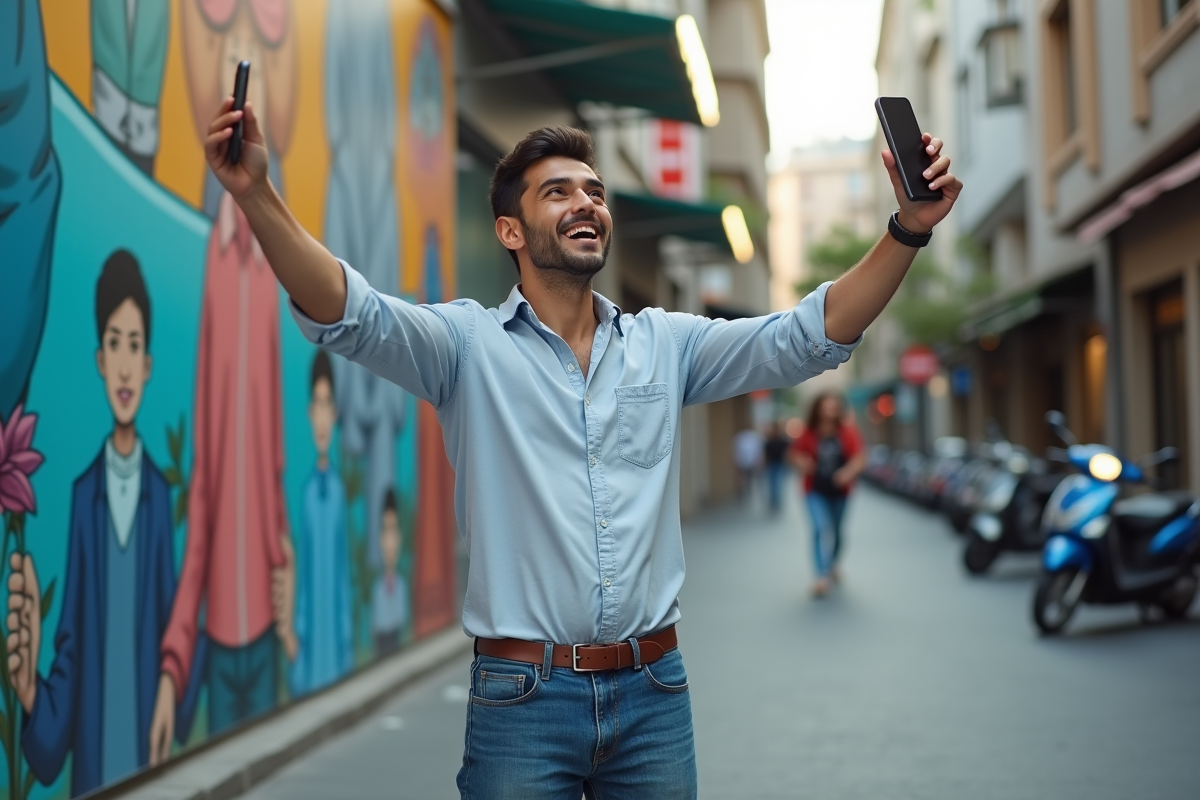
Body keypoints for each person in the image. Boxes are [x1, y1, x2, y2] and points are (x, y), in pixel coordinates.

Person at [200, 92, 960, 798]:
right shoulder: (464, 346)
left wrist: (906, 232)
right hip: (521, 700)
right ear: (510, 230)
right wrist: (255, 193)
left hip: (654, 690)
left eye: (593, 190)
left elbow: (806, 337)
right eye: (558, 191)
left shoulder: (665, 343)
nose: (585, 202)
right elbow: (346, 308)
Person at [6, 252, 201, 796]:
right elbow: (70, 641)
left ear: (148, 366)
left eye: (134, 345)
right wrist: (30, 693)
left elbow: (172, 614)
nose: (122, 363)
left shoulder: (161, 498)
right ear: (98, 359)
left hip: (145, 733)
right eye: (113, 342)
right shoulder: (82, 495)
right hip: (94, 751)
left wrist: (173, 683)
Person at [289, 350, 354, 696]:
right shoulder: (306, 494)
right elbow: (302, 568)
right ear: (310, 413)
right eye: (318, 405)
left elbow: (342, 569)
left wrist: (346, 632)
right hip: (311, 625)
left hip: (333, 626)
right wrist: (299, 628)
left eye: (328, 405)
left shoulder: (340, 493)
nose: (323, 417)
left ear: (335, 413)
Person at [791, 394, 867, 597]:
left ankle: (832, 563)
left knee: (838, 532)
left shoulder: (847, 432)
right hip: (815, 490)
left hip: (840, 491)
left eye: (833, 407)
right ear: (817, 409)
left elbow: (859, 458)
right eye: (825, 407)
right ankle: (821, 576)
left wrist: (847, 473)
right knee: (818, 528)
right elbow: (793, 455)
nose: (829, 411)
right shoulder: (808, 433)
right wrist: (802, 462)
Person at [372, 488, 410, 656]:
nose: (389, 542)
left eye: (393, 530)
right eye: (385, 531)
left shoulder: (401, 586)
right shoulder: (378, 588)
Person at [762, 421, 791, 514]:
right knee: (772, 484)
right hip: (772, 464)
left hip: (780, 464)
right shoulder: (769, 441)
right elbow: (766, 454)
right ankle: (773, 501)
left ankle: (776, 501)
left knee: (777, 483)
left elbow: (788, 453)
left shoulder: (783, 441)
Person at [733, 426, 763, 501]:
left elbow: (757, 450)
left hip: (749, 461)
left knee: (748, 477)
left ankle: (747, 489)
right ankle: (742, 491)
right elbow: (736, 450)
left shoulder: (753, 437)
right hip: (743, 462)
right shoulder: (740, 437)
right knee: (743, 477)